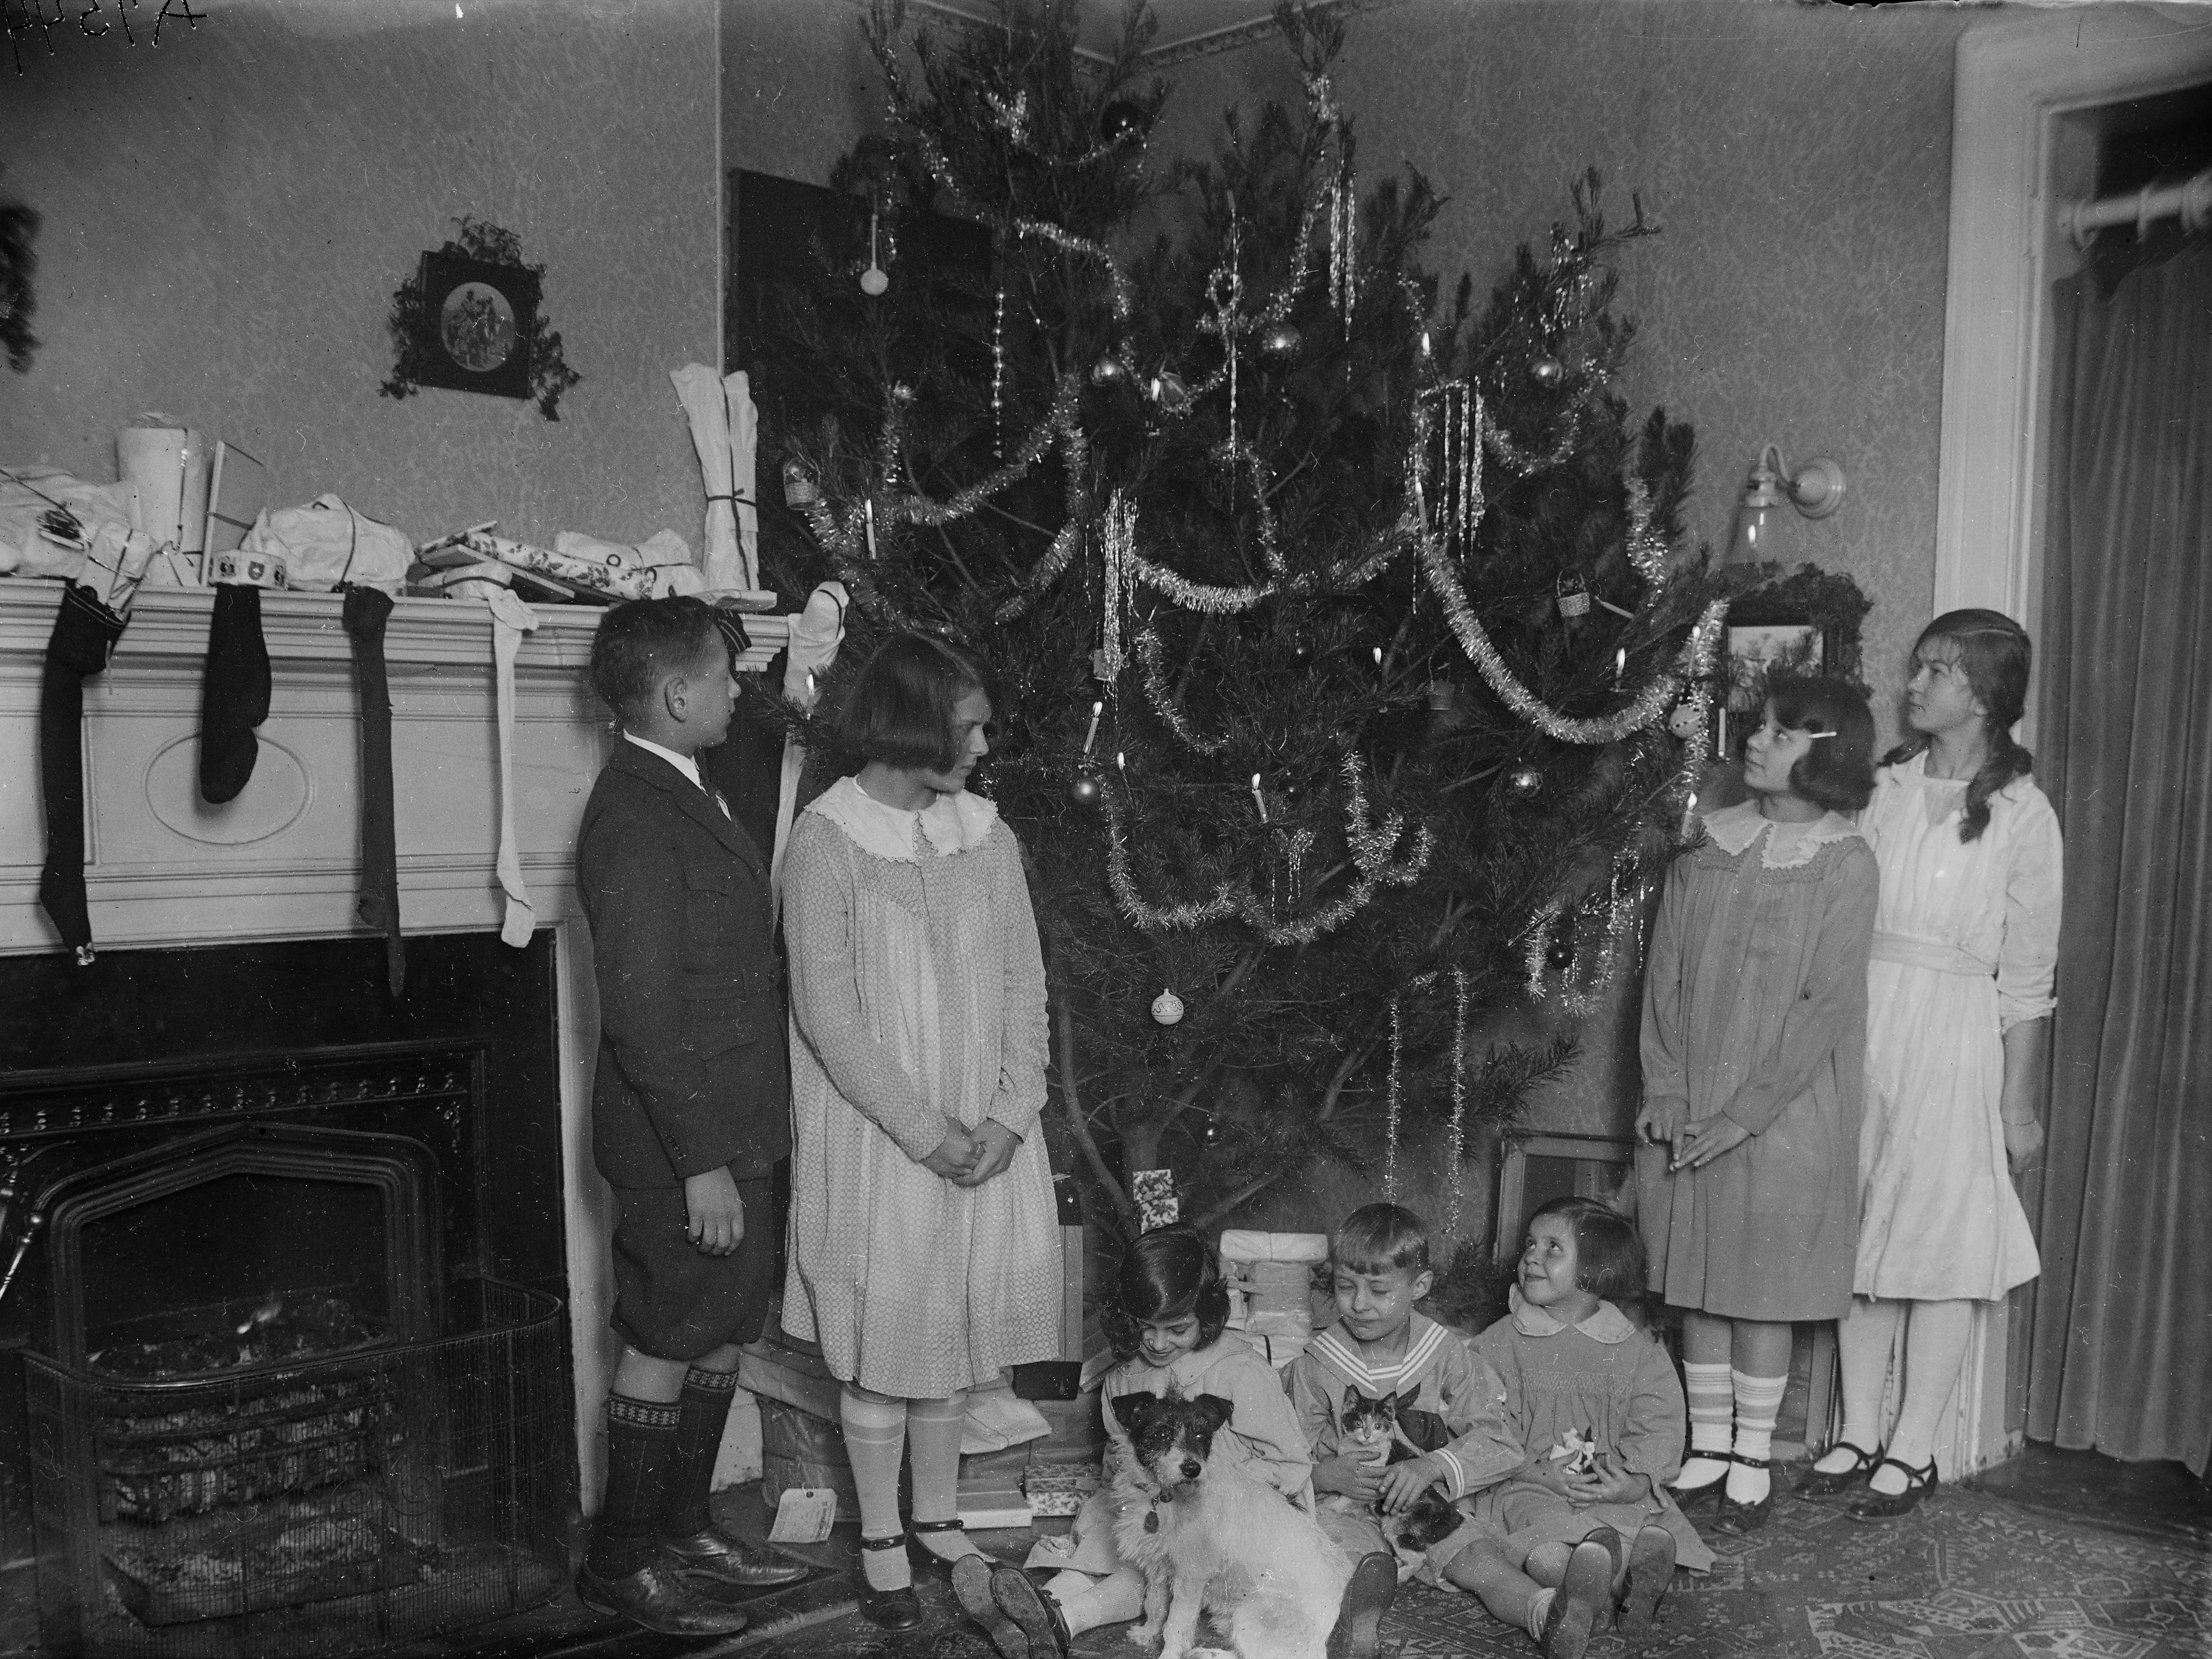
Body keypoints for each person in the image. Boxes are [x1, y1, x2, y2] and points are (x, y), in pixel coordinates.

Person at [778, 632, 1063, 1630]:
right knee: (885, 1347)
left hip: (983, 1141)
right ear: (913, 724)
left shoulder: (988, 837)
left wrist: (1008, 1113)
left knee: (950, 1342)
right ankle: (881, 1535)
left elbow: (1026, 986)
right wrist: (923, 1130)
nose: (985, 743)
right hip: (883, 1144)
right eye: (970, 723)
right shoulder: (827, 843)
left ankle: (936, 1516)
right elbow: (828, 1015)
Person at [573, 597, 809, 1636]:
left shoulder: (686, 785)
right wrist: (701, 1162)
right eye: (721, 675)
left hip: (729, 1125)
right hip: (683, 1144)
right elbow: (641, 1016)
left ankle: (683, 1529)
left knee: (720, 1329)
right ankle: (621, 1558)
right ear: (675, 695)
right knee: (668, 1332)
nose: (734, 689)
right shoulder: (631, 813)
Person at [1803, 611, 2062, 1519]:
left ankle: (1913, 1448)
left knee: (1940, 1243)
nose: (1915, 686)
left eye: (1938, 671)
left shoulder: (2026, 816)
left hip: (1955, 1034)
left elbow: (2029, 982)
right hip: (1868, 1017)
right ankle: (1855, 1431)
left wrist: (2017, 1108)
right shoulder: (1885, 788)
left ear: (1985, 695)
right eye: (1918, 668)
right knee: (1862, 1229)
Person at [1635, 676, 1881, 1532]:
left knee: (1759, 1288)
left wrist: (1747, 1112)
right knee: (1696, 1281)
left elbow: (1825, 1004)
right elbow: (1664, 973)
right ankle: (1707, 1442)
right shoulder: (1709, 845)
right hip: (1694, 1097)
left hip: (1785, 1111)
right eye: (1764, 724)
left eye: (1783, 731)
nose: (1759, 737)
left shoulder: (1846, 861)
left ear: (1828, 753)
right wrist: (1666, 1083)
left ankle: (1751, 1450)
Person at [957, 1224, 1397, 1659]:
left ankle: (1058, 1620)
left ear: (1206, 1316)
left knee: (1150, 1568)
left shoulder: (1239, 1371)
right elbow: (1119, 1459)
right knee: (1110, 1544)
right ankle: (1037, 1611)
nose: (1158, 1341)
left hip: (1228, 1520)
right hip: (1148, 1505)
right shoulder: (1124, 1378)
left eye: (1177, 1328)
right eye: (1145, 1326)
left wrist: (1210, 1485)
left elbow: (1291, 1466)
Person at [1470, 1199, 1711, 1659]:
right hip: (1527, 1486)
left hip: (1606, 1488)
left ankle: (1628, 1587)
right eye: (1529, 1244)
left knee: (1624, 1535)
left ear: (1593, 1271)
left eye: (1552, 1247)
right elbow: (1479, 1418)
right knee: (1544, 1553)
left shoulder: (1631, 1346)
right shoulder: (1500, 1341)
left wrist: (1635, 1479)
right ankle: (1592, 1593)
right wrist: (1529, 1470)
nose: (1530, 1257)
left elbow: (1659, 1419)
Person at [1285, 1207, 1543, 1633]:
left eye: (1378, 1290)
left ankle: (1546, 1612)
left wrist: (1433, 1465)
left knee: (1480, 1558)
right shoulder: (1317, 1364)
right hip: (1346, 1508)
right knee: (1351, 1564)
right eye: (1345, 1286)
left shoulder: (1446, 1354)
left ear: (1419, 1287)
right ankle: (1350, 1632)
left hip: (1426, 1505)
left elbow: (1499, 1441)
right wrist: (1324, 1475)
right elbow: (1282, 1453)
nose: (1358, 1303)